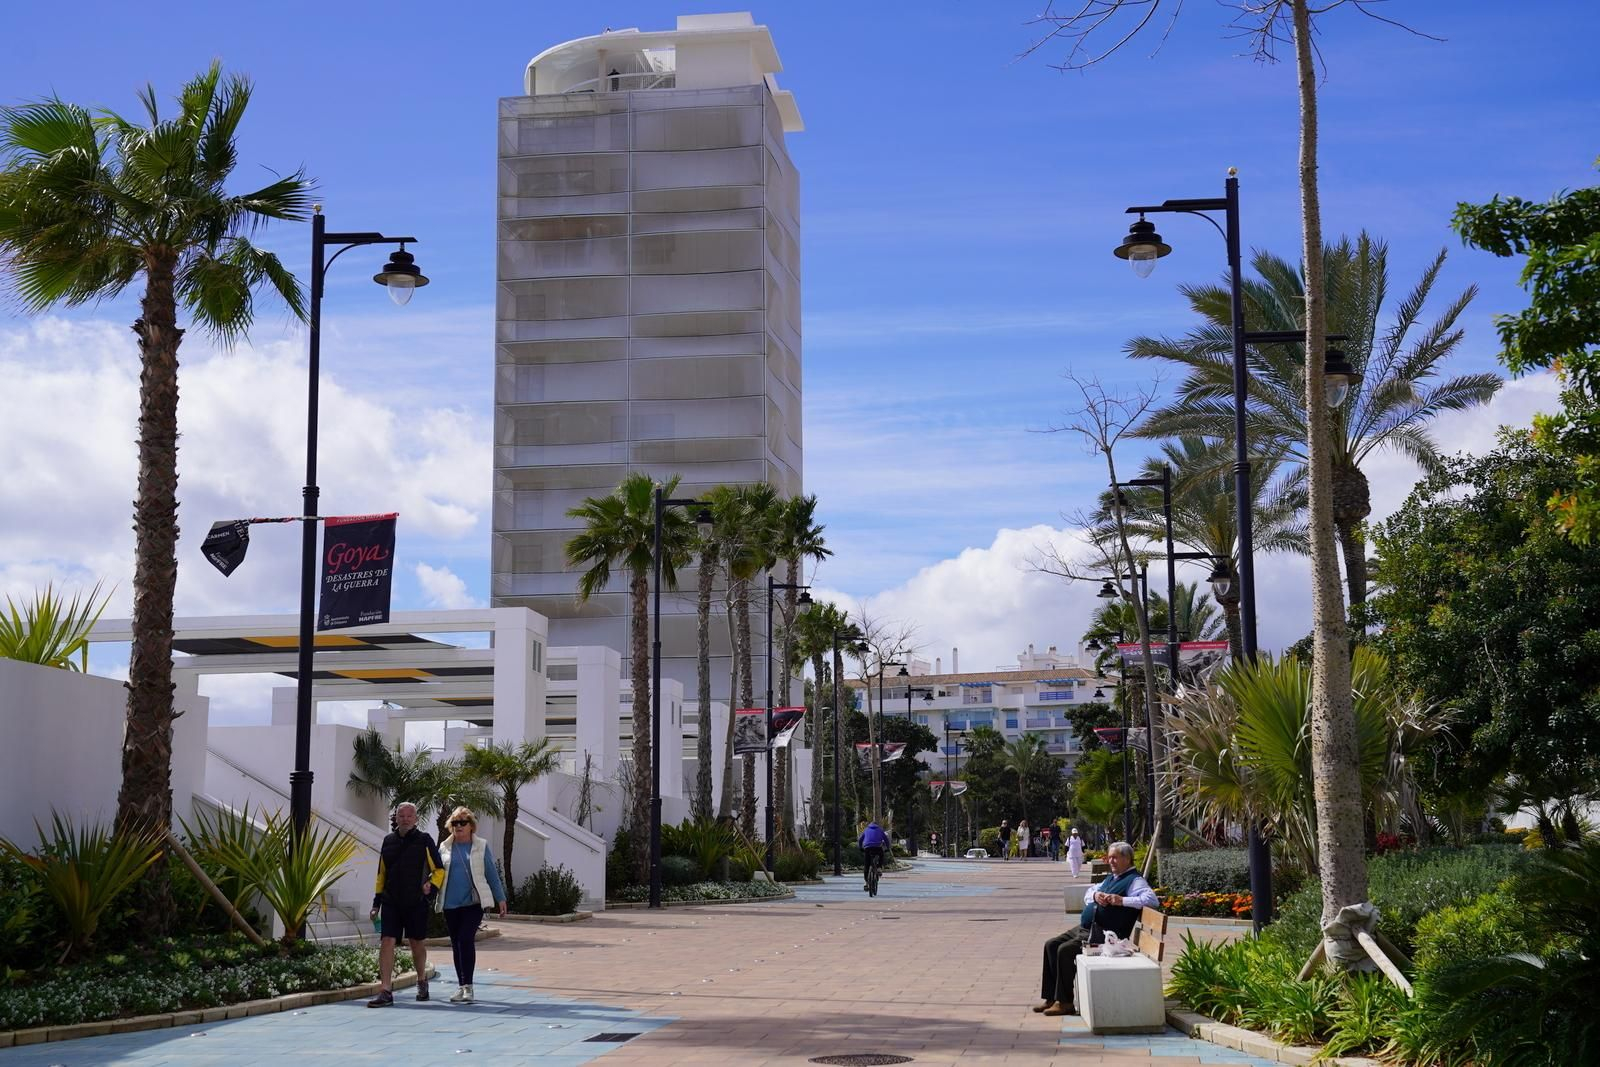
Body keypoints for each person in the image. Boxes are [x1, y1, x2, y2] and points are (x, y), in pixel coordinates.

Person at [1035, 840, 1160, 1016]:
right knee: (1051, 945)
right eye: (1109, 858)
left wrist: (1122, 900)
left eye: (1115, 858)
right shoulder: (1112, 878)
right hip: (1088, 927)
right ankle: (1050, 998)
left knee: (1065, 950)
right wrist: (1096, 895)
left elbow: (1152, 900)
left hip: (1107, 936)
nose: (1111, 861)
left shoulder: (1135, 881)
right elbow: (1088, 894)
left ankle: (1065, 1002)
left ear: (1127, 859)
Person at [368, 801, 445, 1007]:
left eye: (410, 816)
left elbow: (439, 869)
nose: (405, 819)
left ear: (416, 819)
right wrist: (376, 903)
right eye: (402, 815)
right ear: (396, 818)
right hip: (391, 901)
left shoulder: (424, 840)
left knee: (416, 943)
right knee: (387, 941)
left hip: (415, 902)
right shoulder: (388, 841)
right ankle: (385, 990)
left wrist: (431, 889)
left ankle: (421, 980)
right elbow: (381, 874)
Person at [437, 806, 508, 1004]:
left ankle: (469, 987)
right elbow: (437, 873)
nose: (458, 826)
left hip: (473, 903)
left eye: (462, 822)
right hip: (450, 903)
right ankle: (461, 986)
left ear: (471, 826)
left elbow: (492, 875)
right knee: (456, 945)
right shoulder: (444, 847)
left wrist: (500, 898)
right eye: (454, 823)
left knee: (465, 939)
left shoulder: (481, 846)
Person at [858, 820, 889, 891]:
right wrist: (888, 848)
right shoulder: (880, 830)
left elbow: (860, 840)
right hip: (877, 847)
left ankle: (866, 883)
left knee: (866, 865)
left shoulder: (866, 830)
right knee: (881, 854)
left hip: (867, 848)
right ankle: (879, 868)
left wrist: (860, 847)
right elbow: (886, 840)